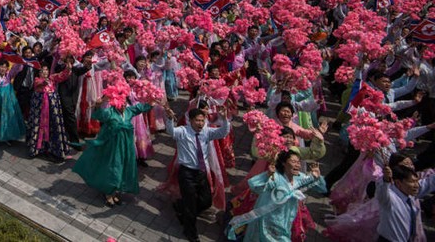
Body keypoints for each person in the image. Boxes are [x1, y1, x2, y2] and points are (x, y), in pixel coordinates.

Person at [72, 96, 153, 207]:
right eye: (121, 103)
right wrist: (98, 105)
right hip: (112, 147)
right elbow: (99, 115)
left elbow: (140, 108)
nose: (124, 105)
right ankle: (108, 194)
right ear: (115, 104)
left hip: (126, 146)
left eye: (124, 103)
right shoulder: (110, 113)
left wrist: (152, 101)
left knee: (121, 167)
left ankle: (114, 191)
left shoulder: (129, 111)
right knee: (112, 168)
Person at [165, 106, 231, 242]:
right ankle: (191, 233)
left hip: (201, 172)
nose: (200, 123)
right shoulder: (183, 131)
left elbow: (223, 132)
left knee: (206, 201)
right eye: (197, 121)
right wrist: (170, 118)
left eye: (202, 120)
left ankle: (181, 207)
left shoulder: (207, 132)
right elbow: (171, 131)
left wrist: (224, 119)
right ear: (190, 121)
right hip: (187, 173)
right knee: (191, 206)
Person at [230, 150, 326, 242]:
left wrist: (317, 175)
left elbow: (322, 188)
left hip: (285, 218)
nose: (297, 164)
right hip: (267, 218)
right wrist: (267, 175)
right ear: (284, 163)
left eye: (298, 162)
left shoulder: (300, 177)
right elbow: (254, 185)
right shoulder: (276, 176)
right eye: (293, 161)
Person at [376, 163, 435, 242]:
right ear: (398, 183)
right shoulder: (389, 198)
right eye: (412, 182)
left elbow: (429, 183)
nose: (416, 185)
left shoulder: (410, 195)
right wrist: (386, 180)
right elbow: (381, 191)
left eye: (416, 181)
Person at [26, 62, 72, 160]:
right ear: (39, 72)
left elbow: (62, 76)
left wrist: (67, 69)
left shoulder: (52, 78)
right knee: (38, 126)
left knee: (53, 127)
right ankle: (37, 149)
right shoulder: (37, 80)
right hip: (40, 111)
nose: (45, 72)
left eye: (46, 70)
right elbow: (38, 84)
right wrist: (44, 82)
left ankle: (53, 150)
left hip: (52, 110)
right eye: (42, 70)